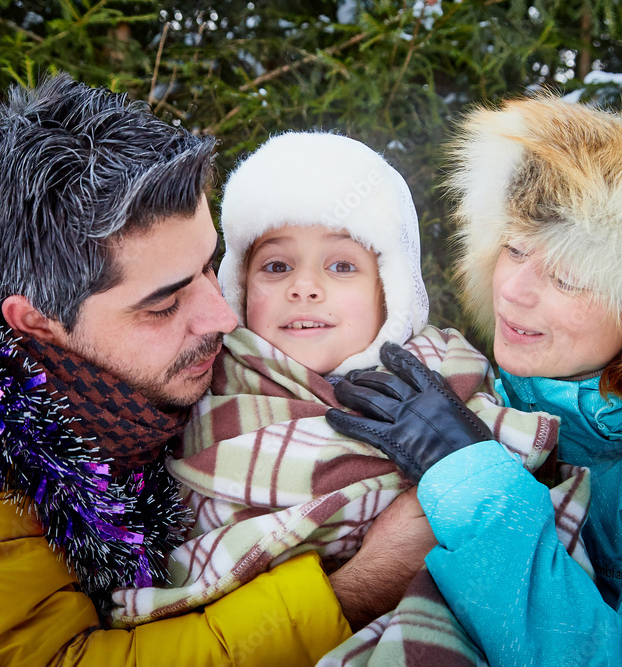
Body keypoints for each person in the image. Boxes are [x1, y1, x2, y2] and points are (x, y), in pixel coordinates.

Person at [0, 74, 437, 666]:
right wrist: (357, 588)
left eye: (209, 266)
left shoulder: (158, 351)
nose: (221, 316)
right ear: (37, 322)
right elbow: (70, 659)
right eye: (165, 302)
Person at [326, 96, 622, 665]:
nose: (513, 290)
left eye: (569, 275)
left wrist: (473, 486)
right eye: (514, 248)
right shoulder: (475, 388)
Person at [109, 132, 593, 632]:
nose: (304, 286)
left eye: (342, 265)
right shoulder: (191, 394)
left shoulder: (454, 383)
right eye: (276, 266)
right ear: (238, 287)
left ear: (391, 292)